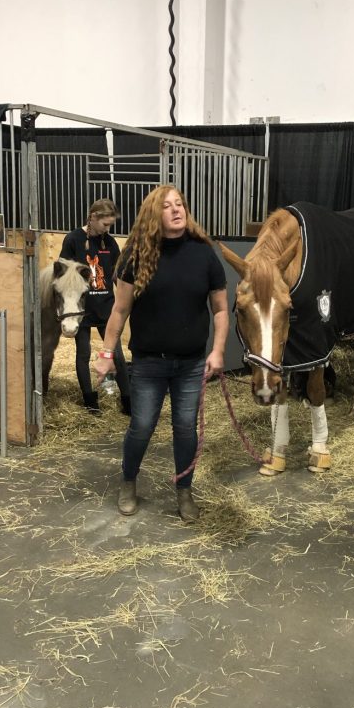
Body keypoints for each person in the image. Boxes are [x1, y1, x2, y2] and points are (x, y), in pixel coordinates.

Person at [93, 184, 229, 521]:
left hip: (191, 364)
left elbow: (221, 309)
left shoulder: (203, 253)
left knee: (185, 429)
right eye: (167, 206)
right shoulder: (136, 255)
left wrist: (218, 351)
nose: (176, 210)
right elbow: (120, 310)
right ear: (154, 214)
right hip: (149, 363)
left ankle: (184, 491)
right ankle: (128, 482)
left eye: (179, 204)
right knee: (141, 426)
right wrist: (106, 353)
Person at [60, 198, 131, 415]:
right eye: (105, 224)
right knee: (83, 352)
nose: (107, 229)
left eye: (110, 225)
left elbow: (117, 274)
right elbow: (63, 272)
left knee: (117, 355)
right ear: (93, 217)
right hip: (81, 307)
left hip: (105, 306)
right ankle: (90, 401)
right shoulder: (73, 239)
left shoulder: (109, 243)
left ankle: (128, 400)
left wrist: (128, 297)